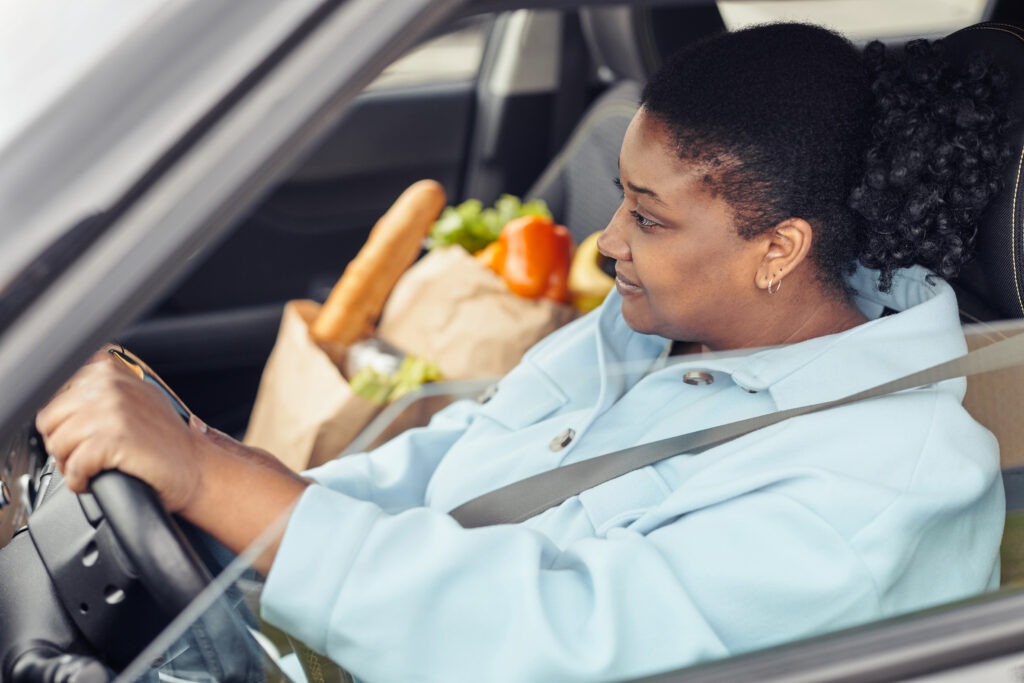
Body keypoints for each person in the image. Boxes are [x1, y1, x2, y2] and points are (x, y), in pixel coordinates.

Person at [36, 22, 1011, 683]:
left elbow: (568, 641)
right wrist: (232, 488)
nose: (606, 243)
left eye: (646, 215)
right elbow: (456, 462)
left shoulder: (889, 485)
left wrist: (219, 480)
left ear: (779, 248)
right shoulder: (653, 334)